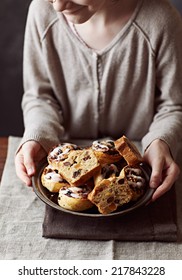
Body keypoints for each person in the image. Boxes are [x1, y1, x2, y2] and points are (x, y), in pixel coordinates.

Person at [15, 0, 182, 202]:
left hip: (142, 167)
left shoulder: (161, 22)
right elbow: (40, 96)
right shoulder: (42, 12)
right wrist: (38, 134)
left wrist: (161, 140)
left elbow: (173, 105)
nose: (58, 5)